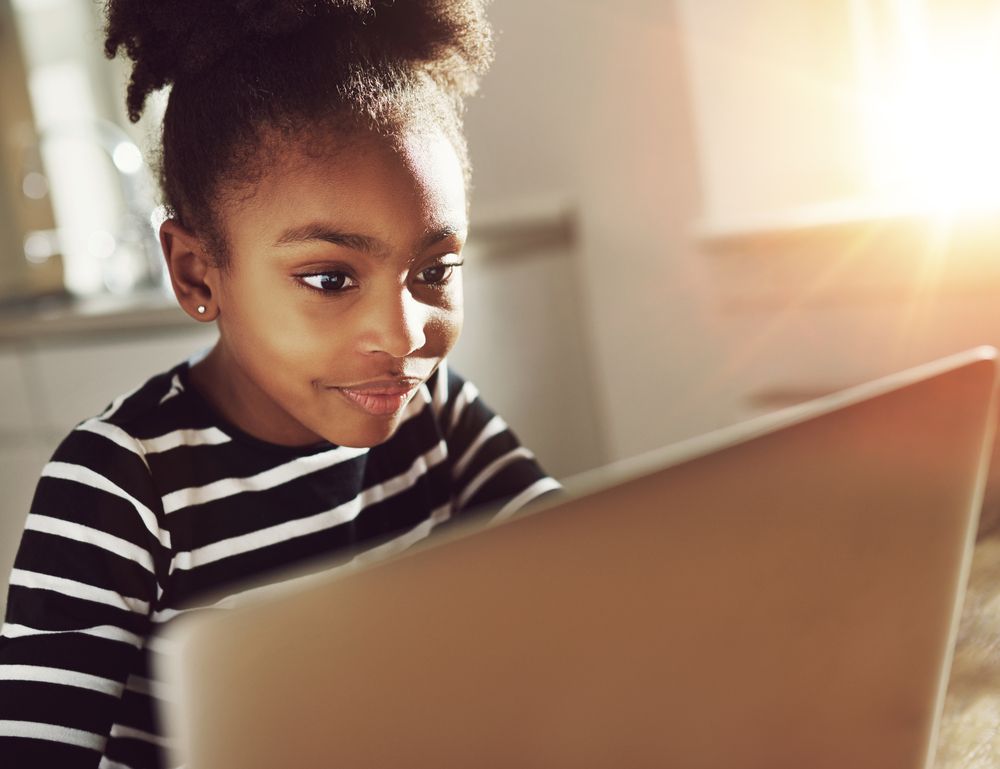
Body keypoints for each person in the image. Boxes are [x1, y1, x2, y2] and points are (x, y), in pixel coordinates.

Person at [0, 1, 560, 766]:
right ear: (199, 272)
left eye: (433, 271)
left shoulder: (441, 415)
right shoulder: (122, 485)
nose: (402, 337)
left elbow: (581, 579)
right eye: (330, 278)